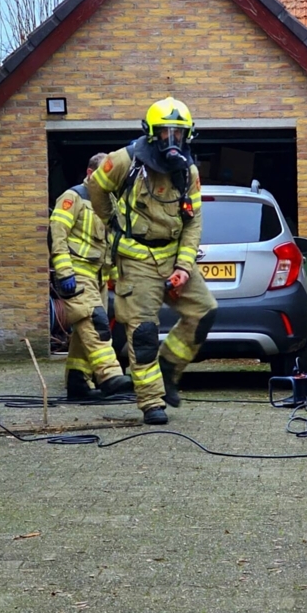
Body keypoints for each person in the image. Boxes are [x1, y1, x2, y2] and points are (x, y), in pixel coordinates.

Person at [89, 97, 217, 425]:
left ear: (188, 135)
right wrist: (111, 222)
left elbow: (194, 223)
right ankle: (151, 402)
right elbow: (96, 187)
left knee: (204, 313)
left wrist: (183, 267)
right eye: (164, 133)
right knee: (144, 332)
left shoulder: (188, 172)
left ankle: (170, 368)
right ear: (150, 133)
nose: (171, 140)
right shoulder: (125, 160)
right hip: (136, 259)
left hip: (173, 255)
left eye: (178, 133)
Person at [50, 153, 133, 400]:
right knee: (94, 322)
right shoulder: (72, 197)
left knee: (83, 328)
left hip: (98, 277)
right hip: (76, 273)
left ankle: (78, 382)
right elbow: (57, 234)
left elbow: (112, 244)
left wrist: (118, 278)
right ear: (89, 174)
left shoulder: (109, 203)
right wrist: (64, 271)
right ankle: (109, 376)